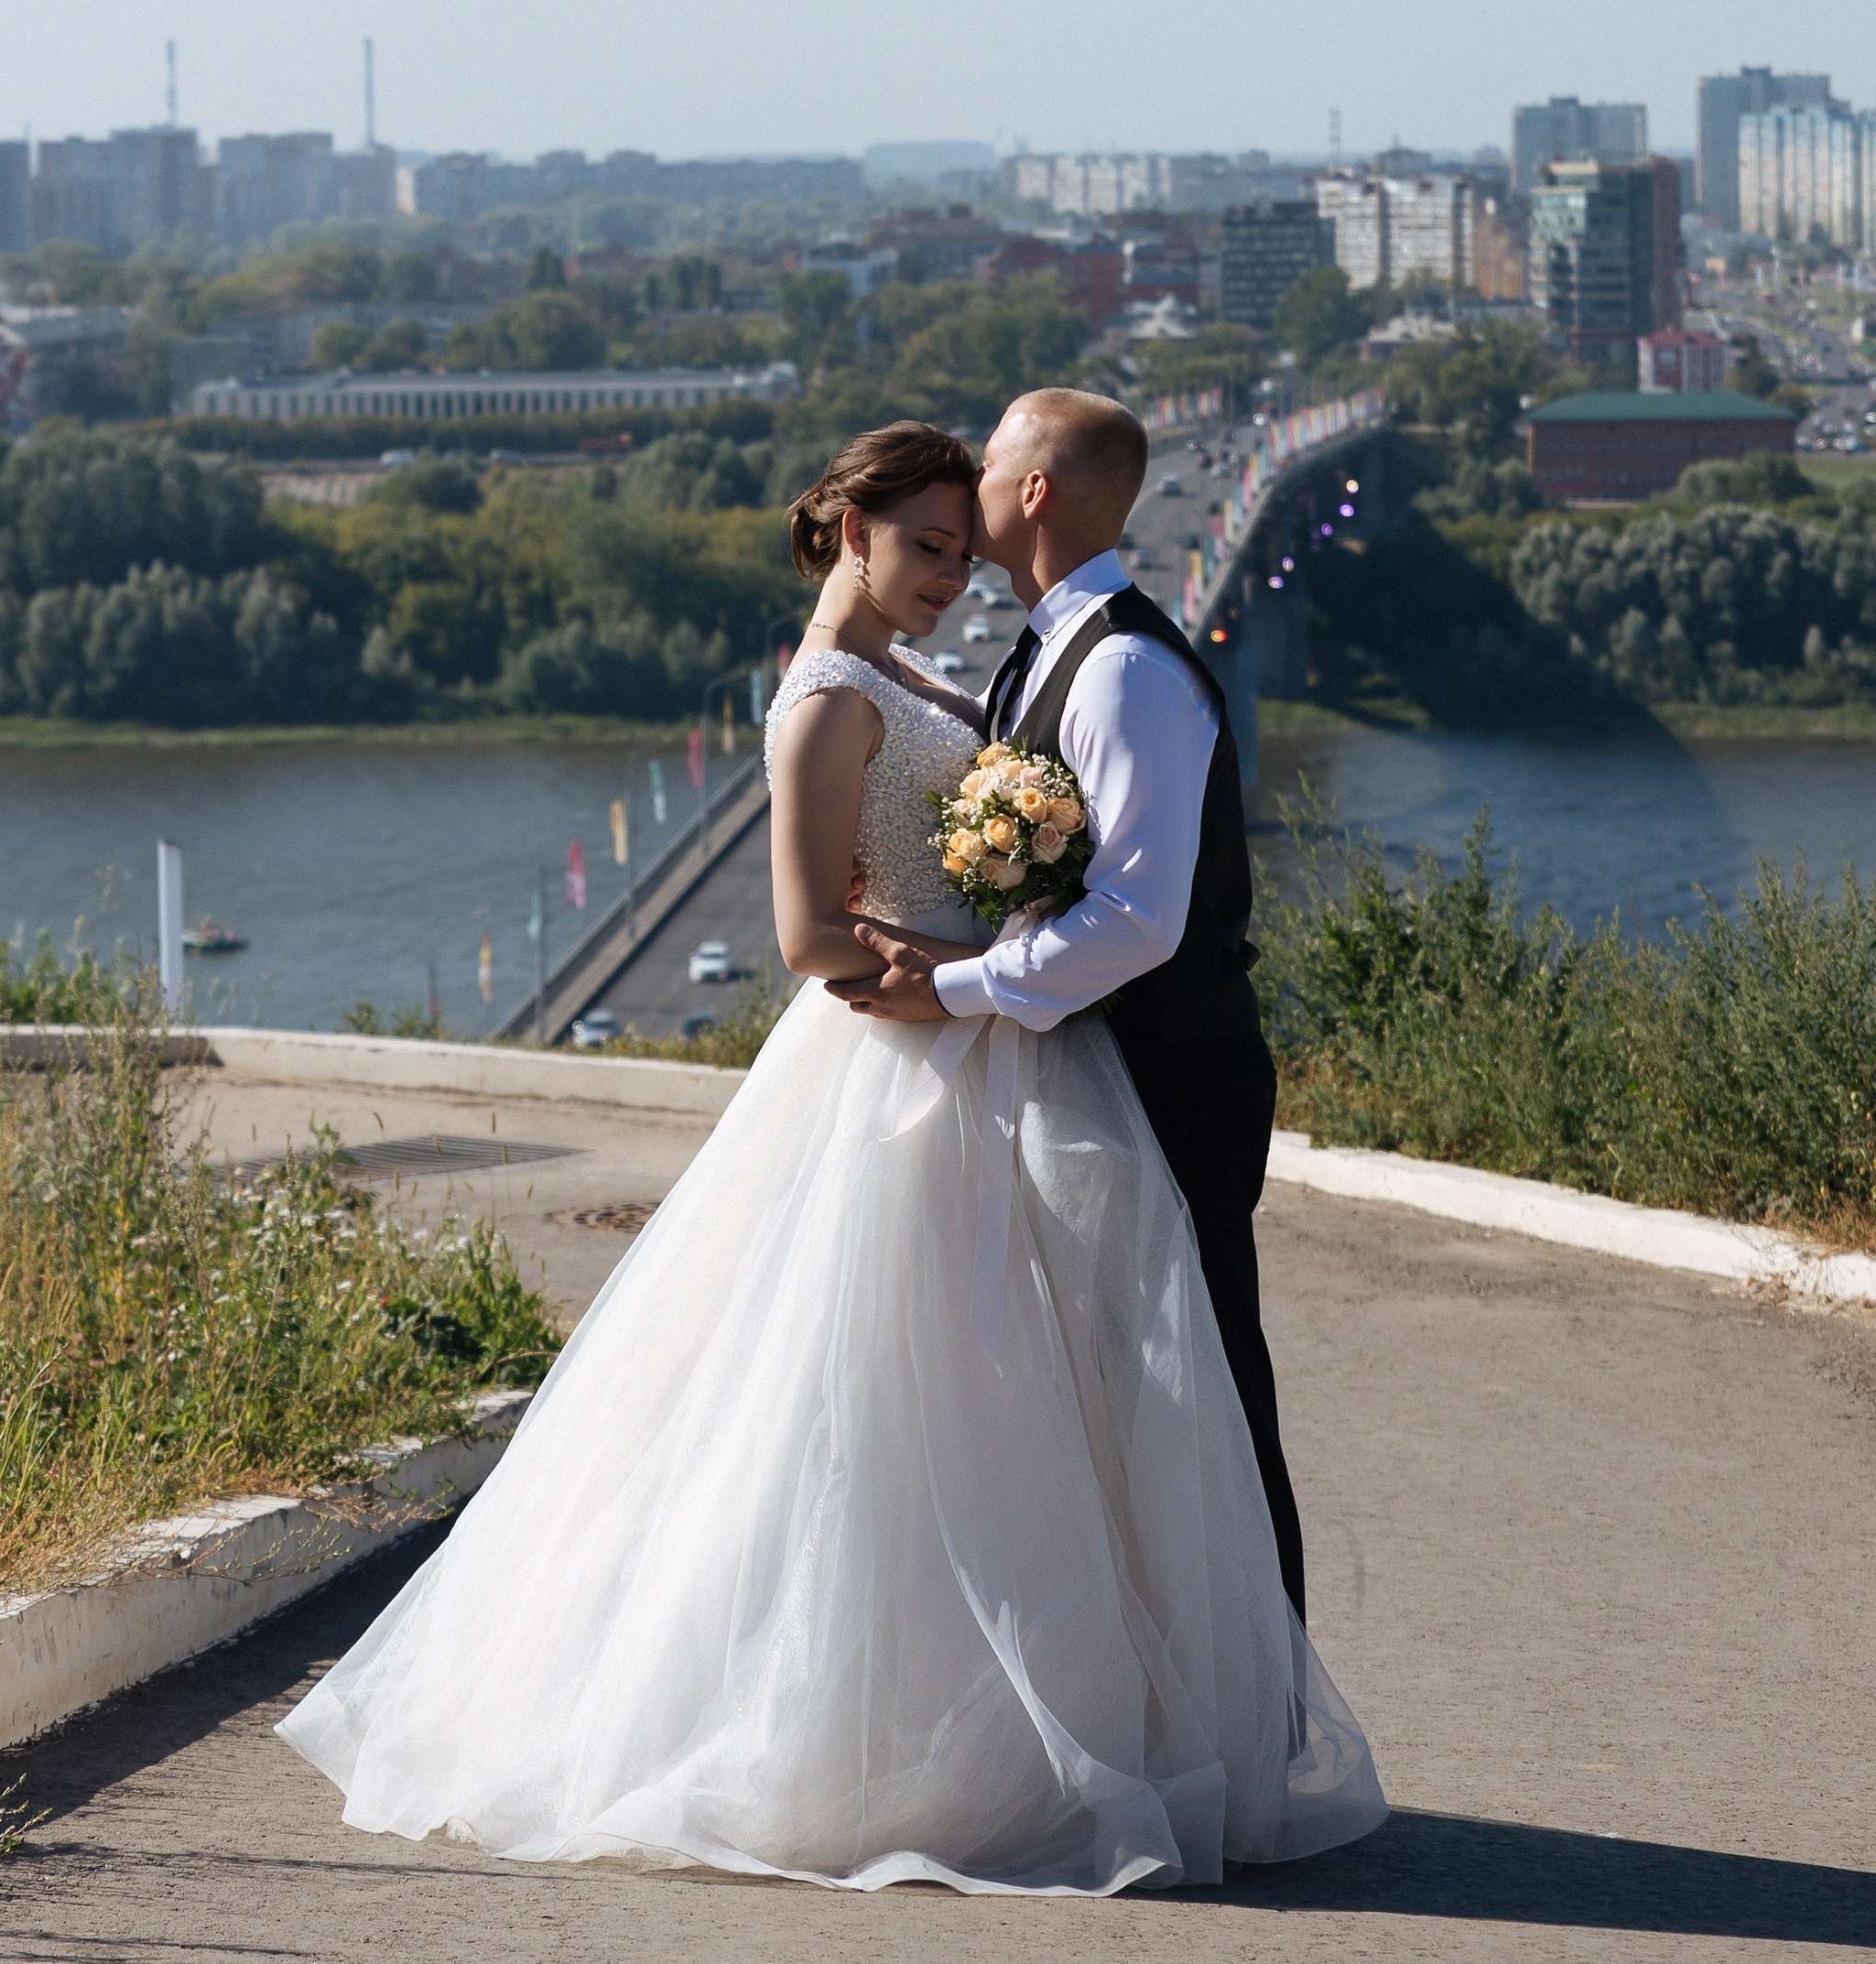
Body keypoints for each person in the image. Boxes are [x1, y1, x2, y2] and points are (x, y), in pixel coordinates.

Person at [277, 419, 1383, 1896]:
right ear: (849, 532)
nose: (949, 572)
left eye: (959, 546)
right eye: (924, 546)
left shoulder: (960, 671)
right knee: (877, 1397)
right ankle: (889, 1743)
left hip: (989, 1048)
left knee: (1014, 1406)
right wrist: (942, 974)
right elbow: (807, 934)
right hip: (903, 1064)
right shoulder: (829, 697)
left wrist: (969, 968)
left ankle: (1079, 1728)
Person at [835, 383, 1306, 1612]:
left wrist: (956, 988)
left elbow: (1140, 919)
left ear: (1034, 491)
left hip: (1173, 1073)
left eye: (990, 460)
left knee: (1202, 1386)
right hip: (1092, 1073)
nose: (972, 477)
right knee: (1104, 1396)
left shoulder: (1126, 671)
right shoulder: (1046, 650)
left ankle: (1256, 1686)